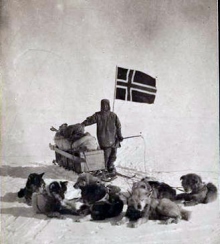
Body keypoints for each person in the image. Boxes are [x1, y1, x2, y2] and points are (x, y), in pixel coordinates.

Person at [81, 99, 123, 176]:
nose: (105, 106)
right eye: (103, 105)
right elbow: (89, 120)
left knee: (113, 154)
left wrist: (119, 136)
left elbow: (118, 126)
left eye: (106, 105)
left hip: (113, 139)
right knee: (106, 155)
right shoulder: (98, 115)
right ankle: (104, 169)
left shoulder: (113, 115)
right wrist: (82, 124)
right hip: (106, 140)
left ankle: (109, 166)